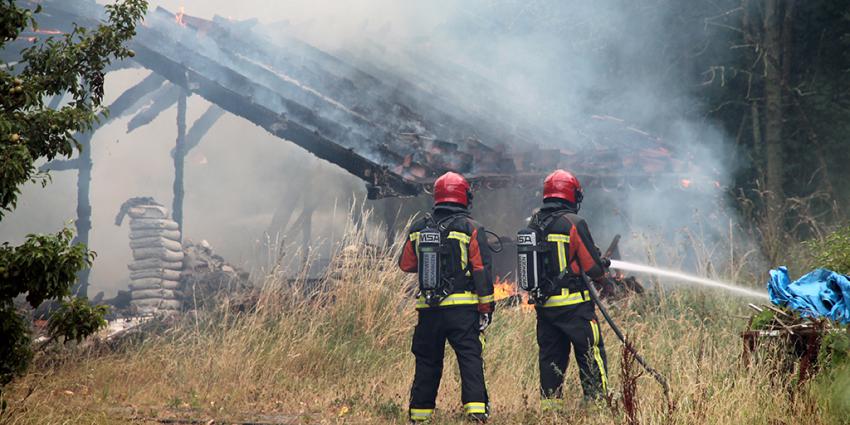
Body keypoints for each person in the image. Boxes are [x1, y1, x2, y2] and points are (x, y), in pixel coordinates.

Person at [398, 171, 495, 423]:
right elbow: (481, 271)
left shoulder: (419, 226)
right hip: (462, 311)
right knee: (470, 358)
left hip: (428, 310)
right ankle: (475, 412)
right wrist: (486, 308)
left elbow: (406, 264)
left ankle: (419, 415)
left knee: (427, 362)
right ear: (464, 197)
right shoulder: (471, 228)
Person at [526, 169, 610, 410]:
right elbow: (593, 269)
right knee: (590, 354)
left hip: (545, 308)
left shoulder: (534, 223)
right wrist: (601, 263)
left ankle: (551, 410)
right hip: (575, 307)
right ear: (572, 195)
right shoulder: (573, 223)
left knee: (551, 359)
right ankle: (598, 406)